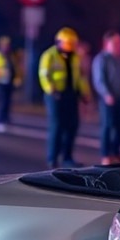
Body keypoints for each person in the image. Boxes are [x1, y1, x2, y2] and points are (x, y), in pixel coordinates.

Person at [38, 27, 91, 169]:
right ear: (59, 42)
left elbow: (80, 77)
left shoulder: (75, 57)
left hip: (71, 95)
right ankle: (52, 158)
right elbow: (44, 75)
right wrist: (51, 89)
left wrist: (85, 94)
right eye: (68, 43)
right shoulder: (49, 55)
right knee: (57, 126)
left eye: (72, 44)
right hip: (55, 96)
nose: (70, 47)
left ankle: (67, 157)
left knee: (72, 126)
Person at [92, 30, 120, 165]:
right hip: (108, 100)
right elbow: (99, 79)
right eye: (115, 43)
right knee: (107, 126)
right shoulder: (101, 59)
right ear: (107, 44)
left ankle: (116, 151)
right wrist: (106, 94)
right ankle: (106, 155)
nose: (119, 45)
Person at [0, 35, 17, 132]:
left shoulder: (11, 55)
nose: (7, 47)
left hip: (9, 81)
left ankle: (7, 119)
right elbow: (0, 65)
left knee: (8, 101)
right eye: (5, 45)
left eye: (8, 45)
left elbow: (15, 67)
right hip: (0, 81)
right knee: (3, 102)